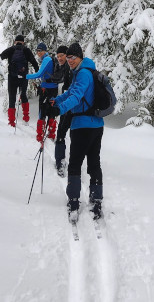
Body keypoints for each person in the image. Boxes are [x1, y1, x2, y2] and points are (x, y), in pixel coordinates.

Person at [46, 43, 104, 221]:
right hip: (96, 125)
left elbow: (76, 96)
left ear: (80, 57)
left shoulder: (83, 74)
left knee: (75, 164)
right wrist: (55, 101)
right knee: (94, 163)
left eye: (73, 58)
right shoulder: (84, 71)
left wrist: (59, 109)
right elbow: (70, 92)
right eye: (68, 58)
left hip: (83, 125)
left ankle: (73, 202)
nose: (69, 61)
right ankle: (96, 201)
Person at [0, 35, 38, 127]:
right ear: (23, 42)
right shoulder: (26, 50)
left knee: (12, 97)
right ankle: (25, 119)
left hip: (12, 77)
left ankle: (12, 122)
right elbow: (34, 63)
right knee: (23, 95)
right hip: (23, 77)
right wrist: (38, 72)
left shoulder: (10, 50)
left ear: (15, 41)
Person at [26, 42, 59, 142]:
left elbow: (39, 74)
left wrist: (26, 76)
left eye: (40, 50)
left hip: (46, 89)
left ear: (45, 51)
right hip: (54, 88)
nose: (38, 52)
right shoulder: (50, 59)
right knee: (52, 110)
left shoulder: (47, 59)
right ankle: (51, 134)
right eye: (37, 50)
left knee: (42, 111)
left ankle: (40, 135)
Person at [50, 45, 73, 177]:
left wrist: (60, 106)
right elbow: (56, 78)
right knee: (63, 134)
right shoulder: (64, 68)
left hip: (69, 107)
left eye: (61, 56)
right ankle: (61, 161)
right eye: (58, 56)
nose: (59, 58)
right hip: (66, 105)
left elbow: (71, 91)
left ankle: (61, 162)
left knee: (62, 134)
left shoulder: (70, 69)